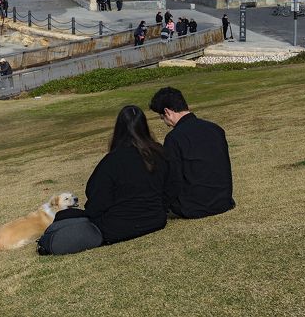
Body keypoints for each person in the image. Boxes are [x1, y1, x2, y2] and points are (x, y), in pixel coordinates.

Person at [48, 105, 168, 251]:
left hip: (117, 227)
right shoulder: (158, 153)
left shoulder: (111, 162)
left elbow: (96, 202)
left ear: (118, 130)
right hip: (155, 219)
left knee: (65, 215)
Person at [149, 87, 235, 218]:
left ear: (167, 112)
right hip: (223, 201)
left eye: (162, 118)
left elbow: (173, 180)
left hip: (194, 207)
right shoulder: (215, 129)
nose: (165, 123)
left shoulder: (174, 139)